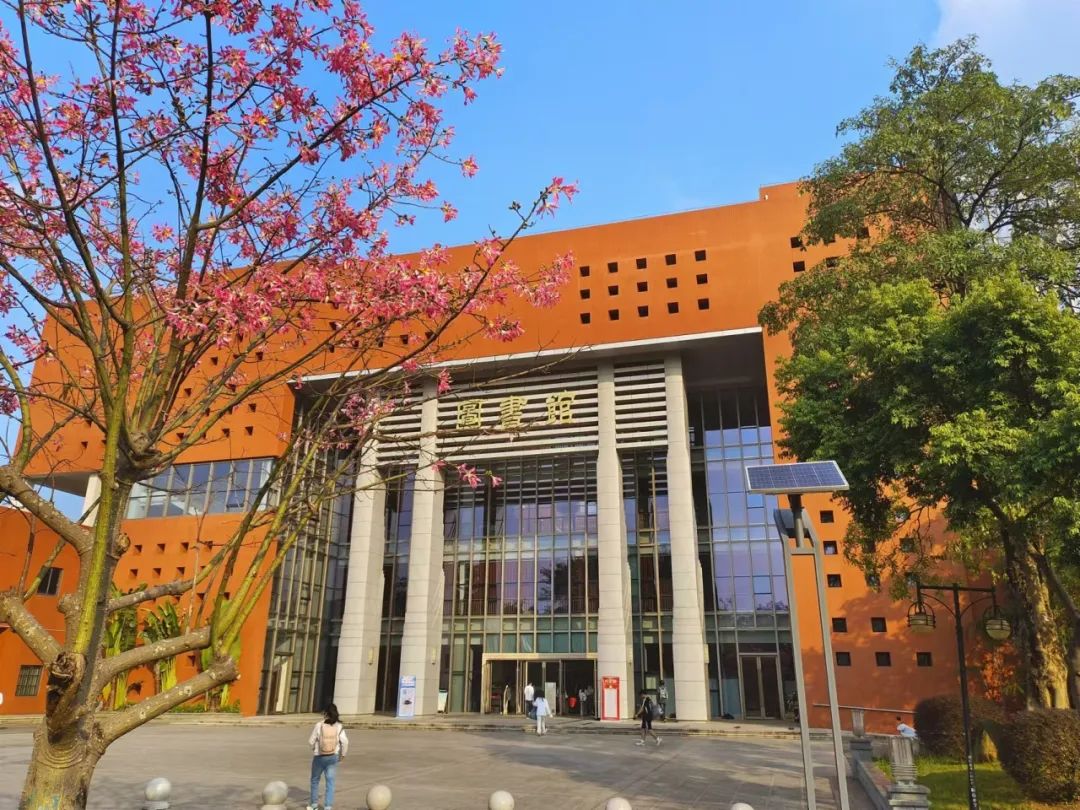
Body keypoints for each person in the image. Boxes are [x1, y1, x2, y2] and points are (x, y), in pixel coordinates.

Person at [307, 703, 348, 810]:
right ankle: (328, 806)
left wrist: (314, 749)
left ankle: (314, 805)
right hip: (333, 756)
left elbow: (311, 741)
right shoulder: (339, 726)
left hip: (319, 756)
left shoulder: (319, 725)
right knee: (330, 782)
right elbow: (345, 742)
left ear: (325, 713)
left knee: (315, 780)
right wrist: (343, 754)